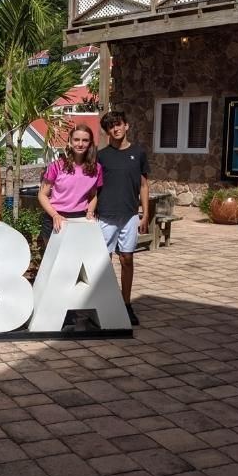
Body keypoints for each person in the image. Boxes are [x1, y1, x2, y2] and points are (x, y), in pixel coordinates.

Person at [97, 111, 149, 327]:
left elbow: (144, 185)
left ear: (126, 126)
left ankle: (126, 304)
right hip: (106, 215)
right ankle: (106, 303)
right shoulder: (101, 156)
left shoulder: (138, 153)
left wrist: (145, 213)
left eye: (118, 125)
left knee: (127, 259)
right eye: (110, 127)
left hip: (129, 215)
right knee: (103, 262)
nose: (115, 129)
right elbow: (94, 186)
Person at [38, 124, 102, 243]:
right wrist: (54, 215)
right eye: (76, 139)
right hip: (55, 218)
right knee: (54, 260)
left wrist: (90, 213)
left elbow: (93, 194)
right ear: (70, 141)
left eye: (85, 140)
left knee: (76, 260)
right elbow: (42, 194)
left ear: (90, 143)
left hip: (80, 219)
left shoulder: (96, 168)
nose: (80, 144)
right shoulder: (56, 166)